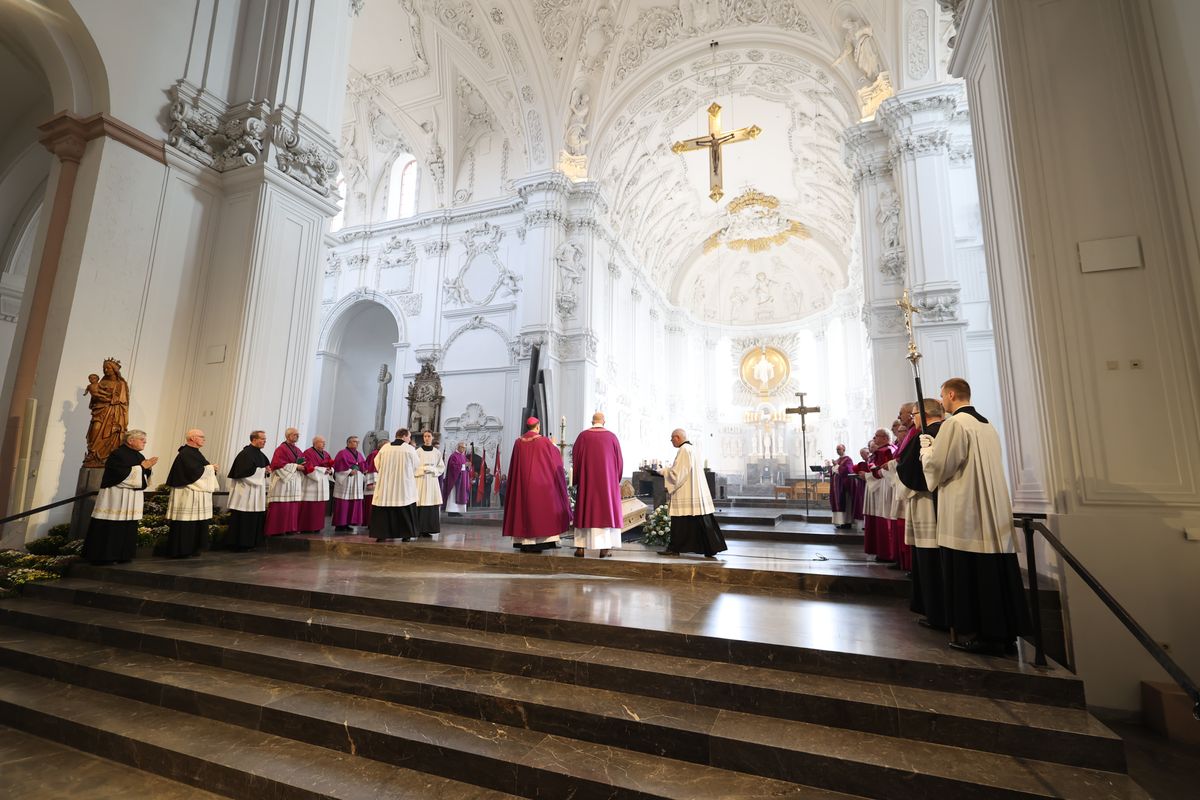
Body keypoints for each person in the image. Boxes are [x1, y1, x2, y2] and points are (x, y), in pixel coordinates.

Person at [921, 378, 1031, 655]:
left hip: (967, 510)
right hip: (991, 509)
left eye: (942, 395)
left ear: (951, 394)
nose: (942, 401)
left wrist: (926, 451)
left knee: (973, 572)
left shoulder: (955, 424)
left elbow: (942, 465)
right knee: (995, 573)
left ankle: (987, 635)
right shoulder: (986, 424)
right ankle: (1004, 633)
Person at [898, 398, 947, 630]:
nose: (912, 419)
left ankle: (935, 610)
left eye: (914, 414)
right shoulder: (948, 430)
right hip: (943, 503)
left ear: (924, 414)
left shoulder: (924, 436)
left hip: (926, 503)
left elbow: (907, 469)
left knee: (929, 559)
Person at [83, 429, 157, 564]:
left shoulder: (139, 455)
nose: (145, 442)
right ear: (130, 440)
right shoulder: (118, 454)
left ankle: (123, 555)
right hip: (116, 497)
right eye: (142, 440)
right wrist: (141, 468)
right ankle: (105, 556)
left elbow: (142, 474)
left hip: (131, 497)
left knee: (128, 526)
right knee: (112, 526)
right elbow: (119, 474)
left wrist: (147, 468)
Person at [502, 417, 571, 553]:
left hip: (521, 484)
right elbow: (555, 458)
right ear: (538, 427)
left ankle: (524, 543)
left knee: (524, 511)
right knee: (540, 512)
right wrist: (554, 445)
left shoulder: (518, 442)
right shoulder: (544, 441)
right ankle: (539, 543)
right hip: (540, 484)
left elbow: (514, 466)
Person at [661, 428, 727, 559]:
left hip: (686, 492)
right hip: (695, 491)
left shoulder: (684, 450)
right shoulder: (692, 449)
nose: (671, 441)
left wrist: (663, 471)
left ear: (677, 438)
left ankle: (675, 548)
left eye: (672, 438)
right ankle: (710, 548)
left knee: (680, 521)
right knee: (699, 520)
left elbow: (677, 474)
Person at [571, 412, 624, 558]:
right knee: (605, 512)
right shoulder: (612, 437)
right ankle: (604, 548)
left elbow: (575, 459)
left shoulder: (583, 436)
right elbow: (619, 462)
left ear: (592, 421)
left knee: (585, 511)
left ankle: (580, 548)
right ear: (604, 422)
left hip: (587, 481)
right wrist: (614, 480)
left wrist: (577, 478)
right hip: (607, 484)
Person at [164, 429, 219, 558]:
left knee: (195, 523)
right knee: (186, 522)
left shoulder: (195, 453)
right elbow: (192, 472)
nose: (204, 439)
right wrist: (211, 468)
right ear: (193, 438)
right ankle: (182, 550)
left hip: (195, 494)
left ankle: (192, 548)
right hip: (187, 494)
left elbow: (200, 469)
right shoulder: (186, 453)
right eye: (201, 436)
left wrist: (210, 468)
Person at [369, 428, 420, 542]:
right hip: (403, 485)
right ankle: (406, 535)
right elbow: (416, 466)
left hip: (386, 485)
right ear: (404, 436)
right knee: (405, 507)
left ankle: (381, 534)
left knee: (383, 509)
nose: (409, 439)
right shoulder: (409, 449)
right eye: (409, 436)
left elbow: (377, 464)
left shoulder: (385, 448)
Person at [226, 430, 270, 550]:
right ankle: (239, 544)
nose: (264, 441)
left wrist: (266, 470)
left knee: (254, 516)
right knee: (243, 517)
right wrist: (263, 471)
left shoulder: (260, 454)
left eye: (265, 439)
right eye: (262, 439)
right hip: (245, 492)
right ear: (254, 439)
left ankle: (251, 542)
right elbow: (244, 473)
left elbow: (265, 468)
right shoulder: (245, 454)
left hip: (256, 492)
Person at [266, 428, 309, 536]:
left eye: (298, 435)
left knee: (292, 505)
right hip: (283, 482)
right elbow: (277, 464)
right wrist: (296, 466)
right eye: (295, 434)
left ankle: (290, 528)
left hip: (294, 481)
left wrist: (304, 466)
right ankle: (277, 529)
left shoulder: (298, 450)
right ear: (288, 436)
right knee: (282, 505)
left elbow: (304, 462)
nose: (297, 436)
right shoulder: (281, 449)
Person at [863, 428, 895, 561]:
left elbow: (882, 471)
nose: (874, 438)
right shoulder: (891, 449)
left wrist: (867, 474)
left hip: (884, 488)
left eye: (877, 436)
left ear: (885, 438)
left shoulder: (885, 451)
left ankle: (886, 553)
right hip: (882, 487)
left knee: (884, 520)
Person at [300, 436, 334, 534]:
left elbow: (331, 467)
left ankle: (317, 526)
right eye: (322, 442)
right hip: (311, 483)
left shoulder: (326, 454)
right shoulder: (307, 453)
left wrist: (330, 470)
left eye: (324, 442)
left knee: (320, 507)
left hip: (322, 482)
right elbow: (307, 467)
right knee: (310, 506)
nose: (324, 444)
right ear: (315, 443)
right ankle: (307, 527)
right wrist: (324, 470)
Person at [332, 436, 366, 532]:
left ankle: (347, 523)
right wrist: (349, 472)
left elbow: (362, 464)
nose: (357, 444)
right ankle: (340, 524)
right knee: (343, 503)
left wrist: (362, 469)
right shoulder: (342, 453)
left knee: (352, 503)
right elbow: (338, 466)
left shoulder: (359, 454)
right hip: (346, 481)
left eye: (357, 442)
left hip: (355, 481)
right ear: (348, 443)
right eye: (355, 442)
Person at [414, 430, 445, 537]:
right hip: (421, 480)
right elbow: (413, 467)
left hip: (432, 480)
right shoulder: (418, 451)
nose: (427, 438)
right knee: (420, 503)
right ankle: (418, 529)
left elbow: (441, 467)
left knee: (431, 503)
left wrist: (433, 469)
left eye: (429, 436)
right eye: (425, 436)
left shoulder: (437, 452)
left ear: (432, 438)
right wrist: (423, 469)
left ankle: (428, 529)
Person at [830, 444, 859, 530]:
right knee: (838, 503)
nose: (837, 451)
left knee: (846, 504)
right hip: (837, 487)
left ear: (844, 449)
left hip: (844, 486)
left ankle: (847, 522)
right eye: (836, 449)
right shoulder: (838, 460)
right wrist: (832, 468)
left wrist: (837, 466)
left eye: (839, 449)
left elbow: (848, 470)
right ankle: (841, 522)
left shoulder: (848, 459)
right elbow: (834, 471)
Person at [444, 441, 471, 515]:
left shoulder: (463, 456)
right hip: (455, 480)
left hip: (462, 480)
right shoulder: (453, 456)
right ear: (458, 447)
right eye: (462, 447)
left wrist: (467, 466)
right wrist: (464, 466)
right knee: (454, 495)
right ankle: (451, 511)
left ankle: (457, 511)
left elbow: (465, 467)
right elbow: (453, 467)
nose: (463, 449)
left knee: (461, 494)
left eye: (464, 448)